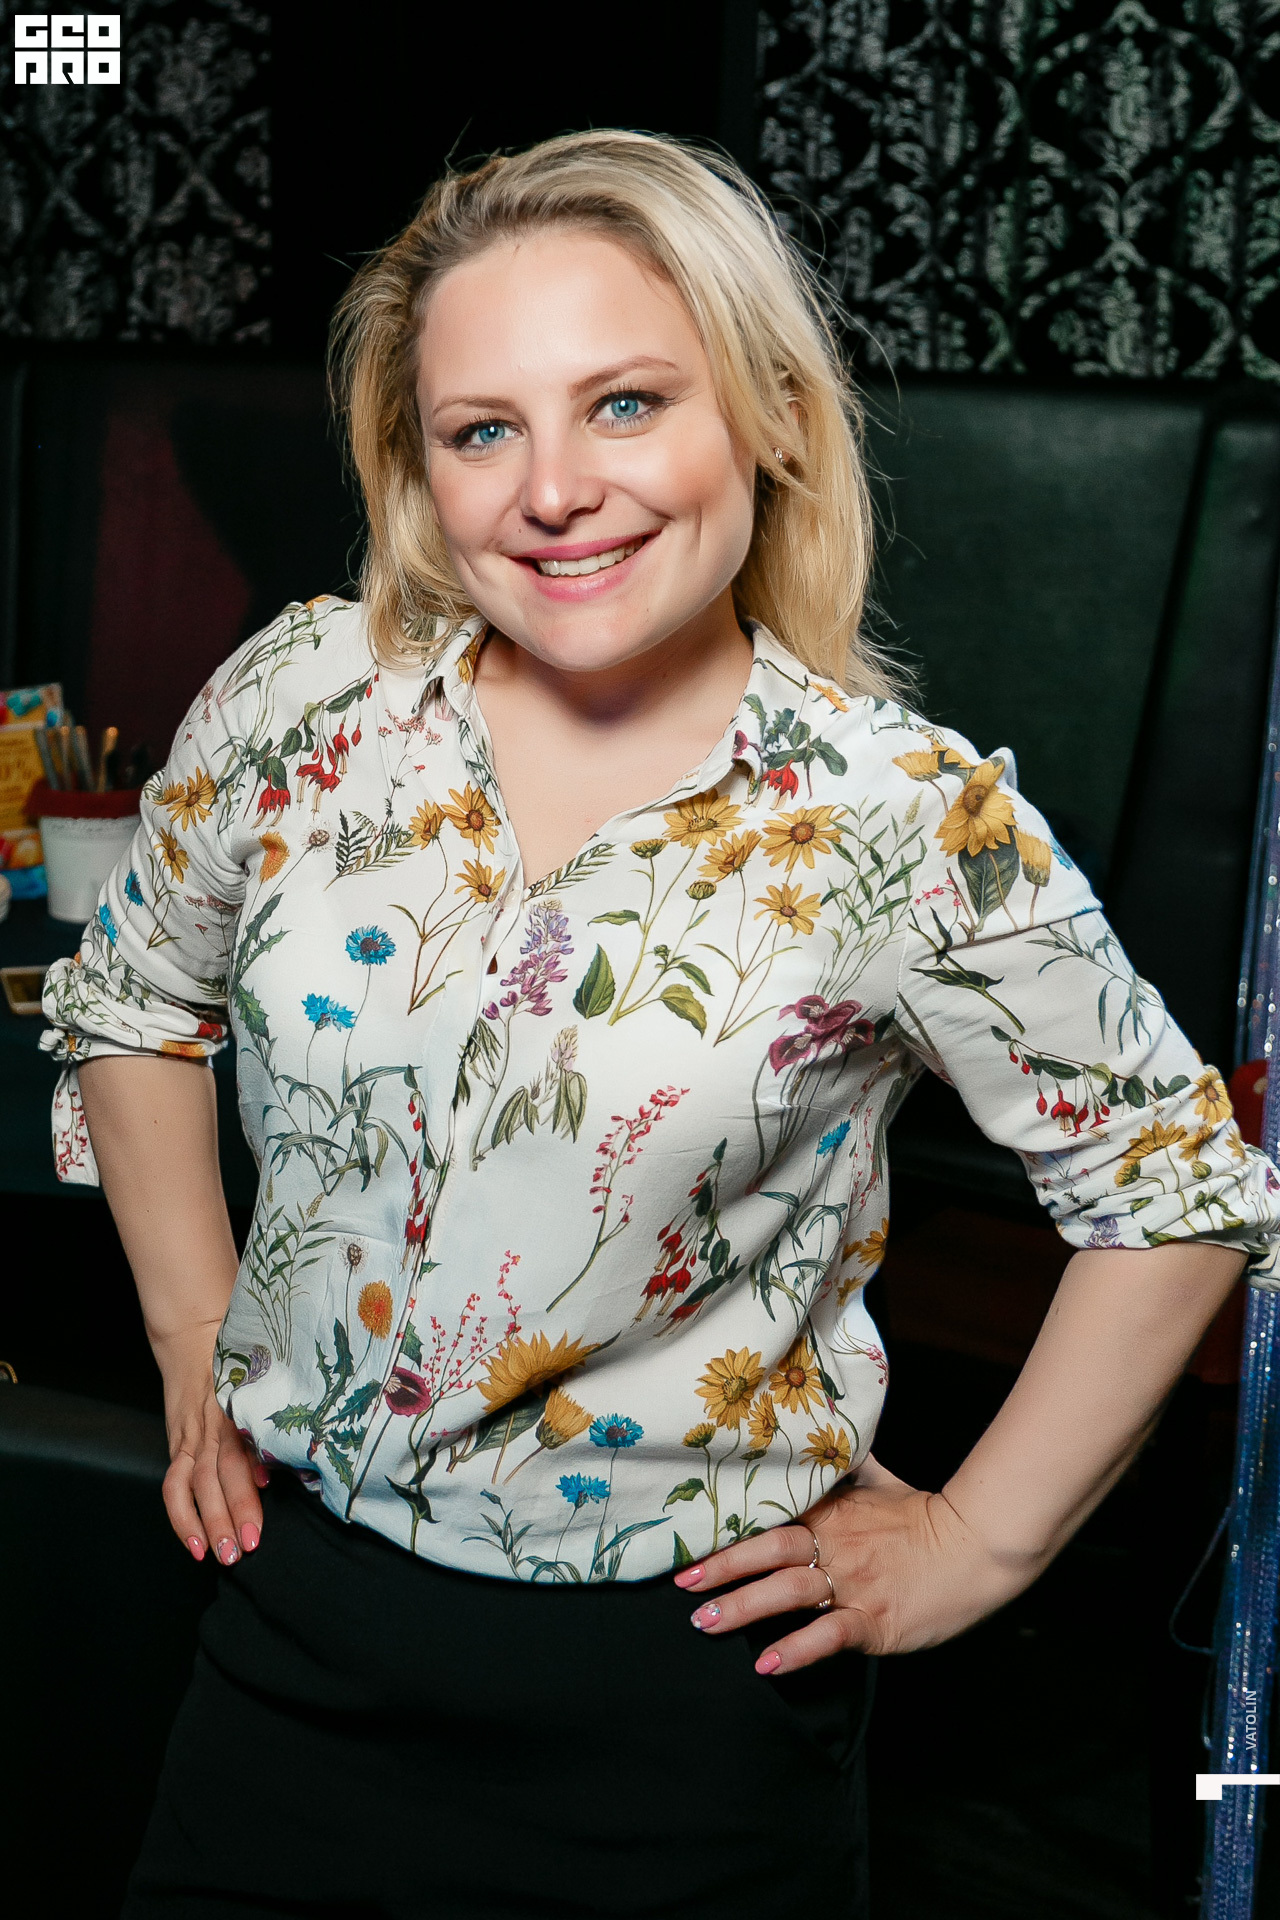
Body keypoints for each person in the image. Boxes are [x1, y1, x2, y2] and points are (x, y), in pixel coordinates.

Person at [42, 130, 1279, 1919]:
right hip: (284, 1639)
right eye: (484, 430)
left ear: (766, 415)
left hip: (682, 1714)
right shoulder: (305, 695)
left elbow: (1175, 1192)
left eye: (624, 404)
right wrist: (188, 1334)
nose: (555, 490)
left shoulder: (896, 818)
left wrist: (975, 1541)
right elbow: (134, 993)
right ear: (421, 469)